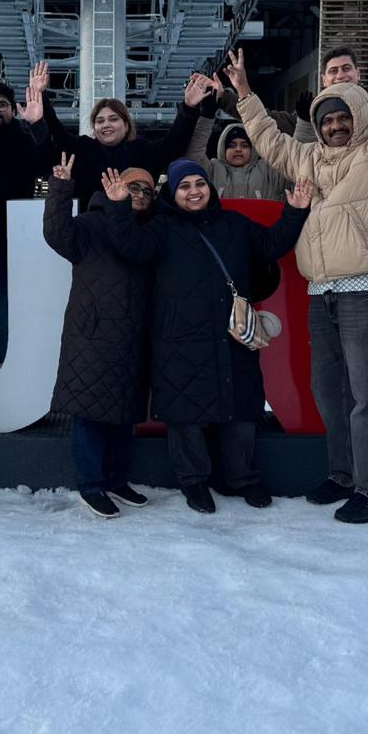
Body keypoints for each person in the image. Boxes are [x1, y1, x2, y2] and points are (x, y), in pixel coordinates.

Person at [229, 0, 368, 524]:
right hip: (323, 295)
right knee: (330, 394)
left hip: (367, 292)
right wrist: (245, 95)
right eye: (327, 119)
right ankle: (342, 474)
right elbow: (270, 142)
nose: (336, 126)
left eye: (343, 118)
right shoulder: (309, 157)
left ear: (358, 117)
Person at [101, 159, 312, 514]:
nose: (194, 191)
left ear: (209, 188)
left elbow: (271, 245)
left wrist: (295, 212)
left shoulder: (234, 223)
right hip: (179, 339)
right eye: (184, 186)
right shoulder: (160, 228)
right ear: (173, 193)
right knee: (185, 414)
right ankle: (194, 481)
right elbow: (131, 246)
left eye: (199, 184)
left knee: (241, 409)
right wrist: (118, 206)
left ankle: (244, 478)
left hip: (231, 336)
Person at [43, 153, 154, 518]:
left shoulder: (150, 231)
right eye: (133, 187)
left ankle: (117, 480)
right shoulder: (91, 224)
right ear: (114, 186)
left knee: (124, 415)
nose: (140, 194)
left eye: (147, 191)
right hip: (92, 335)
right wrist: (60, 189)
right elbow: (57, 235)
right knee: (89, 413)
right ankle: (91, 485)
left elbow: (135, 249)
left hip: (132, 336)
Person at [0, 62, 53, 369]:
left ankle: (6, 370)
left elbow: (46, 169)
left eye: (1, 105)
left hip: (5, 247)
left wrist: (38, 209)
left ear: (12, 109)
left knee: (1, 314)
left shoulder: (24, 139)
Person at [41, 74, 209, 206]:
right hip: (92, 229)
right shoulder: (82, 148)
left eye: (113, 119)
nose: (106, 124)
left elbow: (174, 142)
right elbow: (58, 133)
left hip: (135, 228)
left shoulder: (142, 150)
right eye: (100, 121)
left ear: (126, 125)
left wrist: (189, 107)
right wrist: (42, 97)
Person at [184, 104, 288, 202]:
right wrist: (207, 115)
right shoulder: (212, 170)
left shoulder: (268, 170)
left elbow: (293, 163)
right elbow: (194, 152)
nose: (238, 149)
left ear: (253, 149)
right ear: (223, 149)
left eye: (244, 145)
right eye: (231, 145)